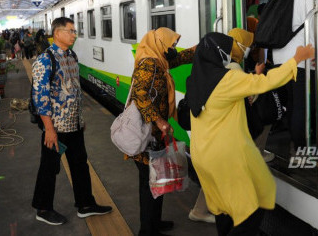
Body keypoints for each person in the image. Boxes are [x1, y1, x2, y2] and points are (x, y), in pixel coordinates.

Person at [187, 32, 314, 236]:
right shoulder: (226, 79)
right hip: (224, 156)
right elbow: (265, 83)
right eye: (227, 51)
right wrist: (296, 60)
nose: (230, 55)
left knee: (223, 208)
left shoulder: (195, 79)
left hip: (202, 154)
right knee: (253, 209)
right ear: (219, 53)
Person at [31, 17, 112, 225]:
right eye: (71, 31)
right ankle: (43, 208)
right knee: (50, 167)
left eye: (74, 31)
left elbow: (75, 89)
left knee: (80, 164)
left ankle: (85, 204)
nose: (74, 35)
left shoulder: (71, 55)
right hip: (56, 127)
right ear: (57, 33)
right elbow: (40, 98)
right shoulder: (45, 60)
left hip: (73, 124)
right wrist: (49, 129)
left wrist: (80, 118)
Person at [127, 27, 195, 236]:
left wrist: (200, 48)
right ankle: (147, 230)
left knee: (157, 178)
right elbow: (140, 96)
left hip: (155, 134)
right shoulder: (149, 63)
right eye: (171, 45)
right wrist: (159, 121)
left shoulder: (159, 60)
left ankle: (154, 223)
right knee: (149, 185)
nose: (173, 49)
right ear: (160, 43)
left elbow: (179, 59)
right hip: (147, 134)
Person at [272, 0, 315, 150]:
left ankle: (293, 140)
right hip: (300, 59)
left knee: (291, 103)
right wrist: (313, 50)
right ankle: (302, 145)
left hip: (280, 58)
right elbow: (310, 22)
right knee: (302, 105)